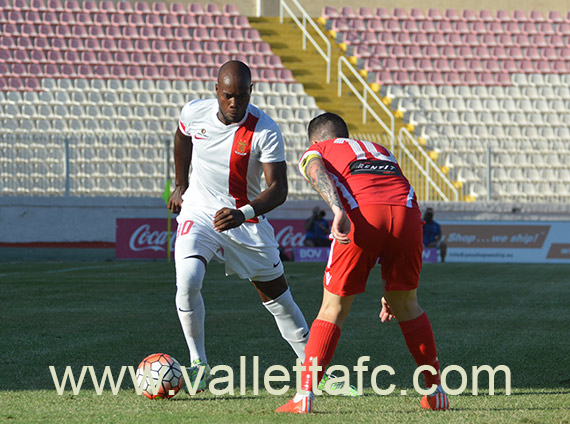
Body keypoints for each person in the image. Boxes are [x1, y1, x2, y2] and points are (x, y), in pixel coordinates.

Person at [277, 113, 449, 413]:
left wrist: (336, 208)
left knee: (332, 309)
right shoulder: (380, 149)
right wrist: (389, 289)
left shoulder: (319, 150)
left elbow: (314, 168)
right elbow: (389, 197)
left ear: (316, 140)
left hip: (362, 215)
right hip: (407, 214)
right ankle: (437, 392)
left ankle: (304, 396)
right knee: (407, 304)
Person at [167, 60, 310, 391]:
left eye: (242, 96)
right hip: (199, 211)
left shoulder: (266, 130)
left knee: (279, 299)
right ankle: (198, 363)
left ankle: (316, 370)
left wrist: (244, 213)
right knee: (188, 280)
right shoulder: (194, 112)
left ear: (251, 92)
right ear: (216, 91)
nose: (235, 104)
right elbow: (182, 135)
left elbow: (279, 189)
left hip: (245, 220)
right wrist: (179, 183)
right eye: (228, 96)